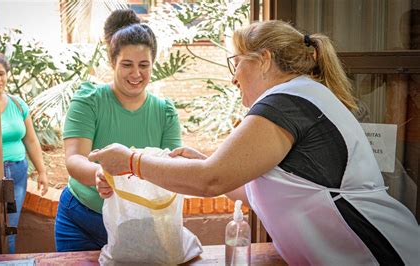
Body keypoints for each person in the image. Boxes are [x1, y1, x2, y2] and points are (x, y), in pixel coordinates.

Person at [91, 20, 419, 265]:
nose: (233, 77)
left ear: (262, 60)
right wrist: (200, 164)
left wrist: (131, 161)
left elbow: (211, 179)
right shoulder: (301, 95)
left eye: (235, 63)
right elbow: (242, 188)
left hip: (378, 252)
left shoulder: (286, 101)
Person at [54, 9, 182, 252]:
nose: (136, 74)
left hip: (141, 223)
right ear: (112, 62)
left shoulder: (165, 112)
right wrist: (99, 175)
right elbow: (74, 159)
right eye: (127, 64)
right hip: (81, 219)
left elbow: (173, 167)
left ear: (153, 63)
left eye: (144, 65)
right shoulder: (89, 100)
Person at [0, 53, 49, 253]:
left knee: (10, 227)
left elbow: (31, 139)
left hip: (18, 173)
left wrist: (42, 171)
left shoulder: (17, 104)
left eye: (2, 74)